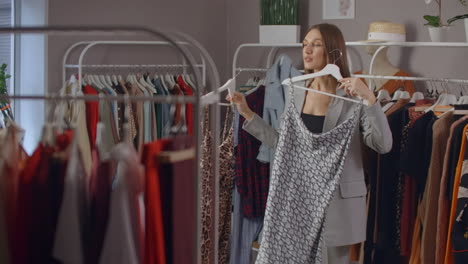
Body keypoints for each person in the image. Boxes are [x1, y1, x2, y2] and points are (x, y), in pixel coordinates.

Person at [227, 23, 393, 264]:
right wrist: (247, 113)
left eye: (316, 45)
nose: (307, 50)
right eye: (305, 44)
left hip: (338, 205)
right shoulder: (296, 91)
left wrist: (369, 98)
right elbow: (284, 145)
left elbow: (383, 144)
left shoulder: (352, 96)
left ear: (333, 51)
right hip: (298, 202)